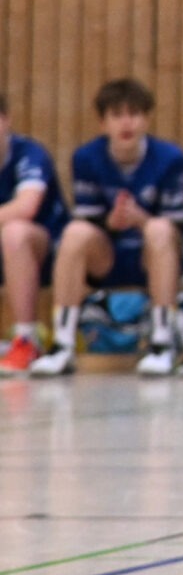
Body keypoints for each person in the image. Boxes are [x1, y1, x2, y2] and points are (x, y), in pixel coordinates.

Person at [24, 78, 183, 377]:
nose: (127, 123)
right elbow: (88, 219)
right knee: (75, 232)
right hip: (108, 257)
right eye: (117, 115)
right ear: (103, 123)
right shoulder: (86, 158)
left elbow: (177, 226)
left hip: (153, 256)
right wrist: (110, 224)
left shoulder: (171, 159)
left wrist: (141, 220)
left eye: (134, 113)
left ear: (147, 118)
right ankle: (62, 345)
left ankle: (162, 342)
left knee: (159, 230)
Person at [0, 92, 72, 373]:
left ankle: (26, 339)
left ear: (6, 120)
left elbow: (26, 206)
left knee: (14, 233)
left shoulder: (29, 154)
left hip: (48, 254)